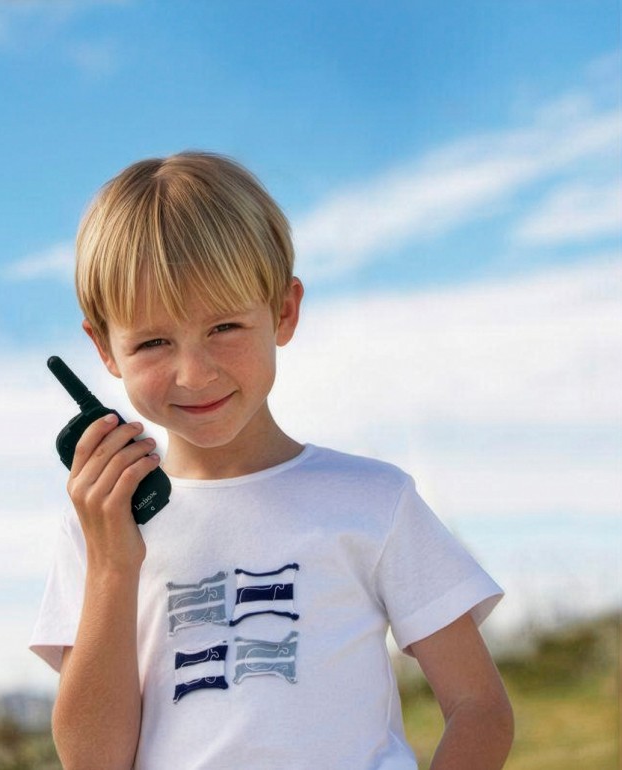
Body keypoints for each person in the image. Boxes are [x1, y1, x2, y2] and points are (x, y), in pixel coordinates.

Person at [30, 151, 514, 770]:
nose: (194, 373)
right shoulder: (98, 526)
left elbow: (480, 708)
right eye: (153, 342)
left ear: (283, 312)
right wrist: (111, 566)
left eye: (224, 327)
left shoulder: (375, 499)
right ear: (104, 347)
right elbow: (92, 762)